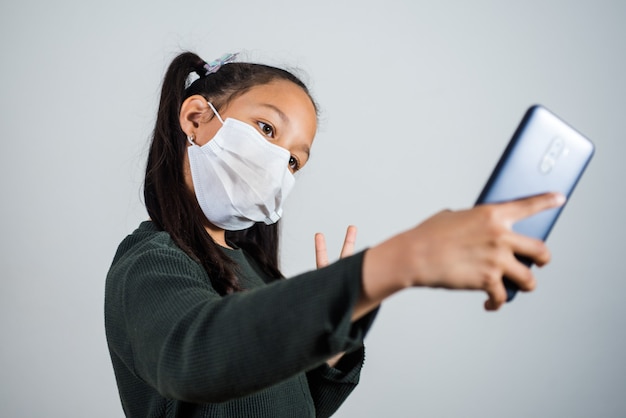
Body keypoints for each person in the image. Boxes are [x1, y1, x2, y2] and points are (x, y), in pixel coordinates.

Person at [104, 51, 565, 418]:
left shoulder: (256, 272)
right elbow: (195, 357)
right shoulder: (152, 259)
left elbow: (296, 406)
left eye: (293, 162)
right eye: (266, 128)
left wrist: (333, 344)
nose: (279, 166)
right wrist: (394, 261)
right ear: (196, 119)